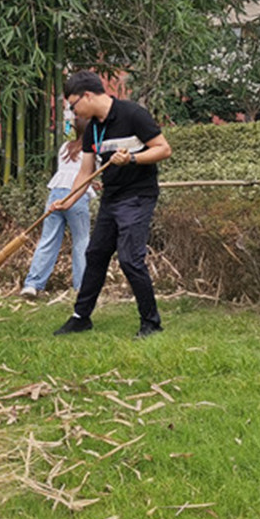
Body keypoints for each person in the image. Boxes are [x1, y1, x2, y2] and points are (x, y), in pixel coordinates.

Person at [51, 70, 172, 338]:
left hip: (137, 196)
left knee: (130, 259)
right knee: (95, 255)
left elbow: (163, 149)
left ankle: (151, 323)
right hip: (111, 198)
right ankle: (81, 318)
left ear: (87, 95)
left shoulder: (133, 114)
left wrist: (132, 159)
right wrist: (68, 200)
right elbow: (85, 172)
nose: (73, 112)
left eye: (73, 105)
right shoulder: (93, 128)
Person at [20, 119, 92, 299]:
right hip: (76, 197)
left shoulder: (65, 147)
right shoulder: (92, 150)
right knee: (81, 241)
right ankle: (82, 287)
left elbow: (69, 172)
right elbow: (84, 175)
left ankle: (32, 284)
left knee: (48, 240)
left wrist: (93, 184)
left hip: (55, 195)